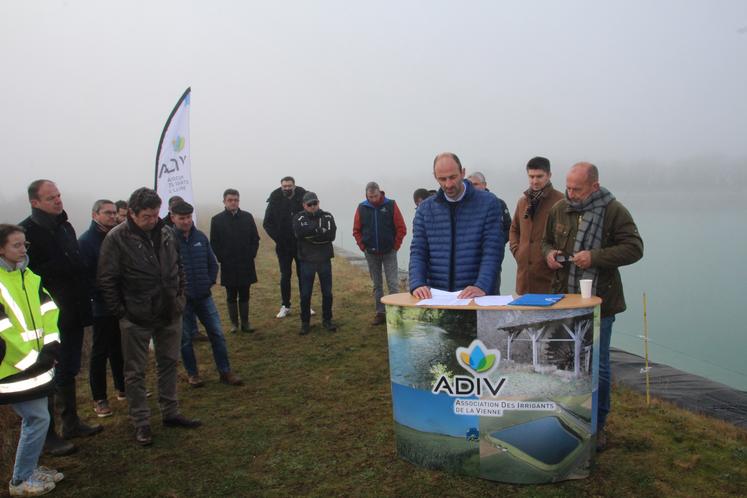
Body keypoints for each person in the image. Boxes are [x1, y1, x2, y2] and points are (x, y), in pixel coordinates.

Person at [542, 162, 643, 451]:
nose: (570, 194)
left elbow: (635, 248)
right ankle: (565, 416)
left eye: (577, 189)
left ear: (595, 186)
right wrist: (549, 255)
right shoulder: (559, 209)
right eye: (568, 187)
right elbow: (546, 242)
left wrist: (595, 257)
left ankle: (598, 425)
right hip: (563, 300)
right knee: (562, 362)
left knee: (597, 365)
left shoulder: (614, 211)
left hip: (601, 302)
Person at [98, 187, 201, 446]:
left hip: (170, 311)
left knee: (169, 362)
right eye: (146, 216)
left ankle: (171, 412)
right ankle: (141, 422)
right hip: (136, 316)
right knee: (135, 371)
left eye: (155, 214)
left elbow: (178, 267)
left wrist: (180, 297)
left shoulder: (166, 233)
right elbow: (107, 280)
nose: (153, 220)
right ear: (132, 213)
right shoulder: (116, 238)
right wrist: (122, 312)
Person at [19, 180, 101, 456]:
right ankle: (48, 435)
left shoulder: (65, 227)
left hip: (75, 310)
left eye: (58, 195)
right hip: (48, 316)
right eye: (50, 197)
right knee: (48, 374)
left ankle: (71, 422)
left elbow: (76, 264)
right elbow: (29, 277)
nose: (57, 200)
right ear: (35, 202)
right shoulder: (27, 233)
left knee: (69, 368)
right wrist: (63, 265)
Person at [0, 224, 65, 496]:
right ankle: (20, 480)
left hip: (38, 364)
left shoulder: (30, 277)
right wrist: (31, 359)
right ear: (1, 249)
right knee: (37, 418)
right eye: (16, 245)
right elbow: (4, 329)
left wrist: (51, 346)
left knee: (38, 418)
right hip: (12, 368)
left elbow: (49, 311)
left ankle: (29, 469)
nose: (23, 249)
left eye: (24, 244)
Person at [409, 153, 504, 299]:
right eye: (442, 179)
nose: (448, 184)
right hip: (437, 297)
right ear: (435, 177)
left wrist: (482, 285)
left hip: (476, 297)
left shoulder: (489, 203)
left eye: (452, 177)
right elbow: (418, 251)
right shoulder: (424, 209)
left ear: (463, 173)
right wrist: (417, 283)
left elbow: (492, 251)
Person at [171, 201, 243, 388]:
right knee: (185, 339)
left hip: (204, 296)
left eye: (188, 217)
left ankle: (225, 371)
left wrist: (208, 282)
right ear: (173, 218)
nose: (186, 221)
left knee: (217, 334)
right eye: (182, 218)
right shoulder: (168, 241)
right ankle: (193, 374)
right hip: (182, 300)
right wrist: (177, 292)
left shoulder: (200, 237)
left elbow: (212, 263)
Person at [78, 200, 125, 418]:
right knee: (100, 352)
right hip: (101, 305)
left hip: (120, 302)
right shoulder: (86, 242)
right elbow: (86, 277)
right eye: (107, 213)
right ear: (95, 215)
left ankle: (122, 388)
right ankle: (99, 398)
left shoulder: (117, 236)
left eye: (114, 213)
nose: (112, 216)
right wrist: (102, 296)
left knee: (119, 347)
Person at [353, 182, 406, 325]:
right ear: (366, 195)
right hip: (371, 253)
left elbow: (401, 228)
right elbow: (356, 230)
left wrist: (395, 246)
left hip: (389, 252)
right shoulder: (362, 207)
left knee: (393, 283)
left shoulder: (391, 205)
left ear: (380, 193)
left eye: (375, 196)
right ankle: (380, 313)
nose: (373, 199)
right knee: (377, 285)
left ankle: (395, 313)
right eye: (370, 197)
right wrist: (363, 247)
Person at [509, 156, 564, 294]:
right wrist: (518, 252)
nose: (535, 181)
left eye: (539, 176)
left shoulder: (561, 201)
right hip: (524, 279)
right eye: (531, 176)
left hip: (550, 277)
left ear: (549, 175)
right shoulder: (522, 202)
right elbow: (514, 230)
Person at [210, 189, 260, 333]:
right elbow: (214, 242)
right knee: (231, 295)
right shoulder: (217, 220)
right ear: (224, 201)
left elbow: (255, 238)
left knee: (245, 293)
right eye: (230, 200)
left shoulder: (247, 217)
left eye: (236, 200)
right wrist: (222, 258)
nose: (233, 203)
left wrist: (251, 254)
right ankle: (234, 324)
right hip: (228, 264)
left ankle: (245, 323)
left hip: (245, 263)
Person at [263, 176, 310, 319]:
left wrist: (306, 236)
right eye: (284, 186)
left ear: (294, 186)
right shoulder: (274, 199)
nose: (287, 188)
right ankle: (285, 305)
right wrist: (278, 238)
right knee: (285, 275)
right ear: (281, 186)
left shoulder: (303, 197)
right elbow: (267, 223)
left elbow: (311, 217)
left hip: (300, 245)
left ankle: (306, 304)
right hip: (283, 246)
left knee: (303, 275)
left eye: (289, 186)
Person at [292, 192, 337, 335]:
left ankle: (327, 320)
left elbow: (331, 235)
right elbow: (299, 233)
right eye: (309, 204)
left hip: (324, 260)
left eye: (315, 203)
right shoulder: (298, 217)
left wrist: (311, 234)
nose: (313, 206)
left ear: (318, 203)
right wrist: (318, 230)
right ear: (304, 205)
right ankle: (305, 323)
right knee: (305, 294)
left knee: (327, 293)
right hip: (306, 261)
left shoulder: (328, 216)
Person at [467, 171, 511, 293]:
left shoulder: (497, 203)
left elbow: (509, 229)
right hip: (469, 261)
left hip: (491, 258)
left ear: (484, 185)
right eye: (470, 185)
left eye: (475, 184)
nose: (473, 187)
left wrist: (495, 242)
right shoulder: (465, 206)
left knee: (491, 291)